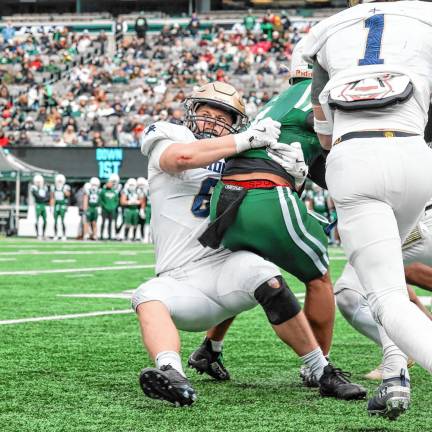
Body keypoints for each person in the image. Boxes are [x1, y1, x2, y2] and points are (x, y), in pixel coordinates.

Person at [132, 81, 366, 407]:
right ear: (191, 112)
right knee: (147, 296)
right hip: (179, 278)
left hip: (226, 267)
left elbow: (265, 193)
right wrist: (244, 139)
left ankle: (322, 371)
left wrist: (292, 175)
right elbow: (181, 158)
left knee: (265, 274)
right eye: (206, 111)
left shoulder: (245, 150)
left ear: (235, 120)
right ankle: (172, 373)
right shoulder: (173, 135)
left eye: (223, 114)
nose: (213, 119)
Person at [302, 0, 432, 419]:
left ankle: (399, 372)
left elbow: (322, 131)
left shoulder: (326, 29)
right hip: (415, 152)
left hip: (354, 155)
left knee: (387, 297)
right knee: (389, 282)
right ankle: (396, 377)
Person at [195, 40, 343, 386]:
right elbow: (331, 139)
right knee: (319, 277)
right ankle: (319, 367)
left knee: (251, 273)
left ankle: (210, 347)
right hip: (265, 195)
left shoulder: (277, 100)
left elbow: (314, 159)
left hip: (226, 199)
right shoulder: (317, 93)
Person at [335, 201, 432, 381]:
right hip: (416, 215)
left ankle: (401, 352)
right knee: (392, 276)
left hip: (405, 220)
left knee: (349, 295)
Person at [50, 173, 70, 241]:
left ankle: (64, 234)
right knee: (55, 221)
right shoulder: (54, 187)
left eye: (60, 181)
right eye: (58, 181)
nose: (59, 182)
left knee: (63, 221)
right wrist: (51, 207)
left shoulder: (65, 187)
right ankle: (55, 234)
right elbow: (52, 197)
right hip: (56, 205)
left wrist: (64, 191)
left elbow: (68, 195)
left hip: (62, 205)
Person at [31, 174, 49, 240]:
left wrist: (43, 198)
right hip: (38, 204)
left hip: (43, 205)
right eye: (37, 182)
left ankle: (43, 234)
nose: (38, 183)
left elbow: (47, 196)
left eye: (39, 182)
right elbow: (36, 196)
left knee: (45, 220)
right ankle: (37, 234)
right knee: (37, 220)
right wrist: (43, 198)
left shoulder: (44, 187)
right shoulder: (34, 188)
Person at [136, 177, 148, 242]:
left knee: (145, 223)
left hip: (145, 208)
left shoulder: (146, 190)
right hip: (138, 208)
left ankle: (144, 236)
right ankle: (141, 236)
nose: (141, 186)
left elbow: (144, 200)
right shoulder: (136, 190)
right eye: (140, 185)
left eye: (142, 185)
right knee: (139, 223)